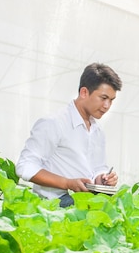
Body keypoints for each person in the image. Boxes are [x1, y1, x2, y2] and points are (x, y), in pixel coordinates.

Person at [16, 62, 122, 207]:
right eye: (103, 98)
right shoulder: (54, 123)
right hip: (55, 203)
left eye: (111, 100)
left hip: (84, 201)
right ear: (84, 92)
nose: (107, 106)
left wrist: (102, 179)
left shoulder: (97, 131)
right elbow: (25, 166)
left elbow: (97, 168)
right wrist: (67, 183)